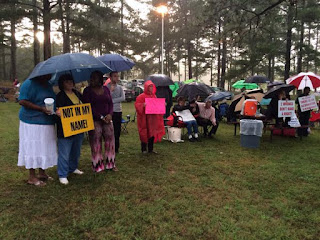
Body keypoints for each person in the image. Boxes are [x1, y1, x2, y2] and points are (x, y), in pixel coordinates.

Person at [18, 74, 57, 186]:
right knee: (33, 147)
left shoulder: (48, 84)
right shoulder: (28, 84)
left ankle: (42, 173)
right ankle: (32, 176)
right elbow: (22, 101)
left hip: (46, 121)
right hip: (31, 121)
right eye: (48, 75)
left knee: (44, 147)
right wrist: (40, 108)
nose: (50, 76)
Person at [82, 71, 118, 172]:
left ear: (100, 79)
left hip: (107, 119)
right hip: (94, 120)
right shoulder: (87, 91)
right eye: (91, 78)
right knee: (96, 142)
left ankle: (111, 164)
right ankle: (97, 165)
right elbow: (87, 107)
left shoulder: (106, 89)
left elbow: (110, 103)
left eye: (95, 78)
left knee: (110, 140)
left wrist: (110, 114)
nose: (93, 80)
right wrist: (101, 116)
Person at [55, 74, 84, 185]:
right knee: (64, 152)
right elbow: (56, 110)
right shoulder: (60, 96)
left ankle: (73, 168)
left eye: (71, 81)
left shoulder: (77, 93)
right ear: (62, 84)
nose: (70, 83)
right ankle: (62, 174)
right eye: (67, 82)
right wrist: (58, 113)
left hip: (79, 128)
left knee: (76, 151)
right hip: (65, 130)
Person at [135, 80, 165, 153]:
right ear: (146, 87)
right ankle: (144, 149)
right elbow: (137, 105)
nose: (151, 88)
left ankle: (150, 149)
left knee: (152, 133)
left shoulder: (154, 96)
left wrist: (162, 105)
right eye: (149, 86)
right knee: (144, 132)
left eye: (152, 86)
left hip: (152, 118)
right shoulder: (141, 96)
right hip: (144, 118)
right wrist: (143, 105)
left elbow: (156, 106)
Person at [106, 71, 125, 153]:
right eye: (115, 76)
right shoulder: (106, 87)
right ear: (110, 77)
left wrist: (112, 101)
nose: (116, 78)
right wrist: (111, 91)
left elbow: (123, 98)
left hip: (118, 111)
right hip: (109, 112)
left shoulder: (120, 87)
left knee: (117, 131)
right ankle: (110, 148)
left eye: (117, 76)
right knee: (109, 131)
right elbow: (106, 99)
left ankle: (116, 149)